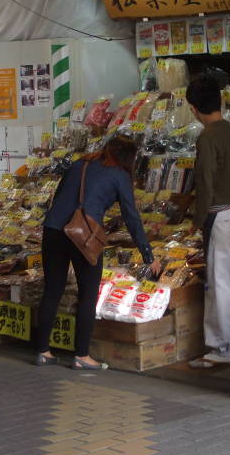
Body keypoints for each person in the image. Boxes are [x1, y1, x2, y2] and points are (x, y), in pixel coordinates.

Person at [35, 135, 161, 370]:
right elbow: (131, 217)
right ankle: (81, 355)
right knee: (88, 294)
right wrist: (148, 255)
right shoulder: (119, 175)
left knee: (52, 291)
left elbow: (59, 196)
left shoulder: (78, 164)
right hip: (82, 236)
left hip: (52, 230)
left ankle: (43, 351)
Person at [185, 75, 230, 369]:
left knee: (221, 283)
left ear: (193, 108)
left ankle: (222, 347)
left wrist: (197, 222)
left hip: (220, 216)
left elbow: (205, 183)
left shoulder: (208, 136)